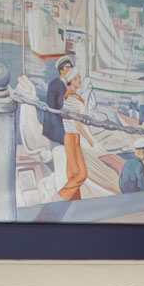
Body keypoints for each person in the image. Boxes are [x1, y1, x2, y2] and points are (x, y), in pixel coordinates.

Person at [49, 58, 93, 201]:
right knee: (81, 174)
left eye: (79, 76)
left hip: (73, 137)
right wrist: (89, 139)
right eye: (76, 78)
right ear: (71, 82)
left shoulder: (70, 96)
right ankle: (61, 196)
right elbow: (76, 123)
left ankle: (74, 200)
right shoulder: (71, 97)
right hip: (71, 136)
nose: (79, 79)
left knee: (74, 173)